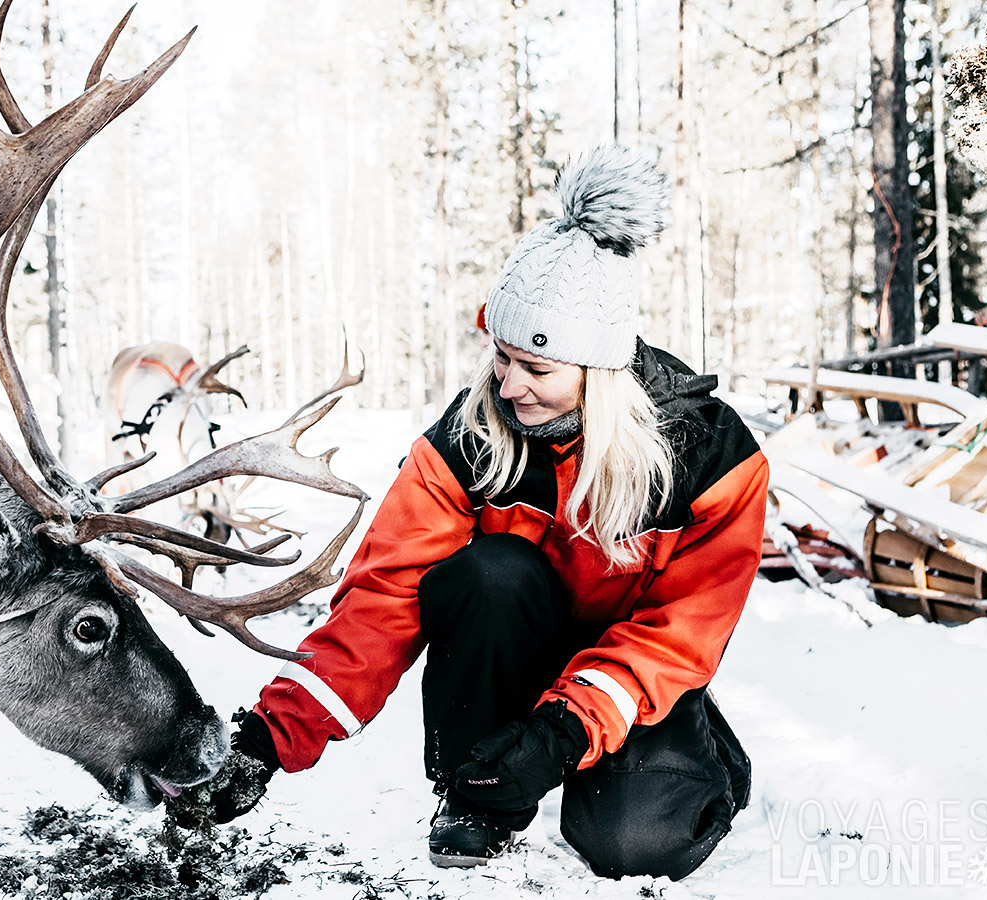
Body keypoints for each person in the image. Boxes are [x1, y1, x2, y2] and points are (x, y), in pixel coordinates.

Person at [174, 144, 769, 881]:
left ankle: (697, 758)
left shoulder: (712, 455)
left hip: (632, 673)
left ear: (599, 370)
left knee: (634, 846)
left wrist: (559, 733)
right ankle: (475, 794)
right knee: (490, 573)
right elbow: (381, 599)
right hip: (512, 649)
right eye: (502, 356)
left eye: (537, 368)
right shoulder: (470, 439)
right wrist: (267, 742)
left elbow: (681, 633)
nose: (509, 384)